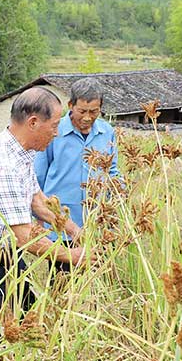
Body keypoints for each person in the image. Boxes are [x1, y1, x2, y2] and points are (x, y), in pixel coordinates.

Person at [0, 87, 91, 320]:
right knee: (6, 331)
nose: (57, 134)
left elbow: (37, 200)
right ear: (33, 122)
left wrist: (74, 231)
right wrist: (72, 256)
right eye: (53, 126)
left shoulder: (21, 151)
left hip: (8, 253)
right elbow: (24, 236)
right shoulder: (4, 165)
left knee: (28, 318)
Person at [34, 77, 122, 273]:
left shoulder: (106, 132)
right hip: (62, 227)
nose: (88, 117)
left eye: (94, 112)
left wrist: (120, 195)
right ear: (70, 105)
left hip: (96, 225)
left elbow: (112, 171)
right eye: (82, 111)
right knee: (63, 287)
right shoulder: (53, 131)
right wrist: (37, 215)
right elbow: (38, 176)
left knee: (97, 285)